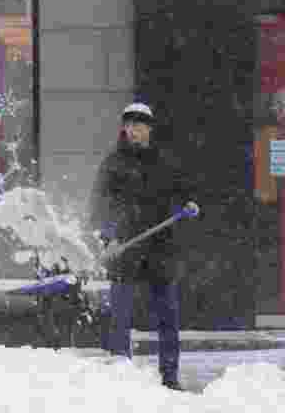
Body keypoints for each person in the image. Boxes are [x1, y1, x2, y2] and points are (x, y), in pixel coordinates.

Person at [90, 99, 198, 391]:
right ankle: (120, 376)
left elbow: (183, 188)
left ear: (149, 129)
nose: (132, 131)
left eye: (138, 126)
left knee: (167, 315)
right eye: (128, 126)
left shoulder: (164, 160)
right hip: (126, 245)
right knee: (120, 317)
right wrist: (109, 234)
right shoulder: (114, 163)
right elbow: (101, 202)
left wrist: (188, 202)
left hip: (160, 245)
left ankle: (170, 376)